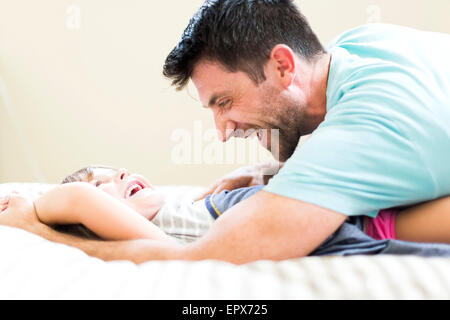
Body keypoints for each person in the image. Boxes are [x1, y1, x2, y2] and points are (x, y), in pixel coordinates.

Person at [1, 0, 450, 264]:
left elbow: (198, 261)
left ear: (282, 65)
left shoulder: (360, 131)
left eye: (225, 102)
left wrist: (37, 229)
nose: (221, 132)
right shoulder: (363, 45)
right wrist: (268, 173)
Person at [2, 165, 450, 246]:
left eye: (120, 169)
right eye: (105, 182)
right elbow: (76, 199)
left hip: (342, 196)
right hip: (349, 220)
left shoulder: (186, 204)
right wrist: (29, 215)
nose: (122, 174)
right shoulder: (157, 235)